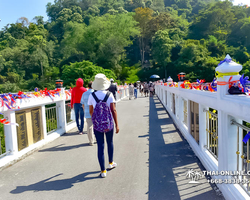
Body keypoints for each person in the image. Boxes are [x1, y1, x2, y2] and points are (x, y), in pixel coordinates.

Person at [88, 74, 119, 178]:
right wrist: (117, 124)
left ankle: (103, 171)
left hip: (97, 125)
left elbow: (91, 111)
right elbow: (113, 110)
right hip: (109, 123)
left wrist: (97, 120)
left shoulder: (92, 96)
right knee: (110, 142)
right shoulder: (109, 94)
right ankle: (111, 163)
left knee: (100, 146)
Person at [81, 81, 94, 145]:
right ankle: (98, 139)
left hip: (87, 112)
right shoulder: (95, 93)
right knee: (97, 126)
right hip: (95, 112)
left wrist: (84, 110)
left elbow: (82, 103)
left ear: (88, 86)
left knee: (89, 127)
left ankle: (91, 141)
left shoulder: (84, 94)